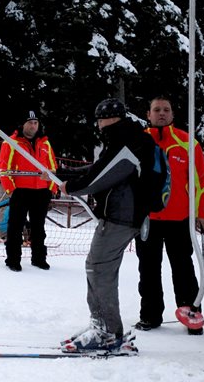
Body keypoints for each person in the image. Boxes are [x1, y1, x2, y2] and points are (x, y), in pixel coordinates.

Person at [59, 98, 156, 354]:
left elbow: (103, 175)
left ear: (110, 118)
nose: (99, 125)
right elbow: (103, 168)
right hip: (123, 215)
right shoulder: (126, 138)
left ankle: (107, 331)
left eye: (100, 119)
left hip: (121, 217)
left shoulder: (125, 140)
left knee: (99, 268)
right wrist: (69, 174)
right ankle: (101, 324)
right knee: (97, 267)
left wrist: (72, 186)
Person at [134, 96, 204, 335]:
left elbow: (203, 181)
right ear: (148, 114)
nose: (161, 113)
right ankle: (150, 315)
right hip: (148, 219)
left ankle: (191, 314)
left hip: (179, 219)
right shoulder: (138, 142)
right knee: (148, 269)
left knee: (183, 269)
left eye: (166, 109)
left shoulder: (188, 143)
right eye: (156, 109)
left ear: (172, 114)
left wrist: (203, 212)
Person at [0, 109, 57, 271]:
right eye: (30, 122)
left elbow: (52, 167)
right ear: (23, 124)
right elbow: (4, 169)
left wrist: (51, 187)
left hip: (41, 191)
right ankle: (13, 259)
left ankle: (39, 258)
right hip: (21, 191)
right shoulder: (11, 142)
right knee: (15, 226)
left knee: (39, 227)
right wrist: (12, 190)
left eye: (35, 122)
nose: (33, 125)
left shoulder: (45, 143)